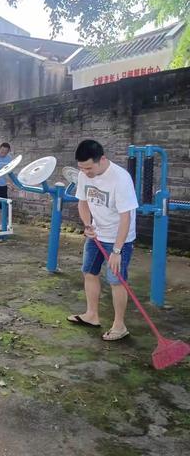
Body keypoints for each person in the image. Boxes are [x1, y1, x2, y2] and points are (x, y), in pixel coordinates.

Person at [67, 139, 139, 341]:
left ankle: (119, 325)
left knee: (116, 280)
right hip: (96, 234)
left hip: (119, 239)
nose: (86, 172)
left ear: (102, 160)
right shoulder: (83, 175)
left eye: (89, 168)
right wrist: (87, 224)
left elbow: (126, 217)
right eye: (82, 168)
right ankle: (92, 315)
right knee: (89, 272)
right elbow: (82, 203)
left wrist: (117, 251)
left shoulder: (121, 178)